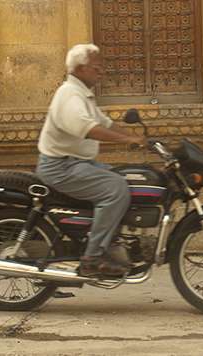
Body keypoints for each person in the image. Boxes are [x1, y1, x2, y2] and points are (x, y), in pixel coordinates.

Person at [35, 44, 146, 277]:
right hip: (61, 166)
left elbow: (103, 122)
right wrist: (126, 140)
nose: (102, 72)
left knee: (125, 177)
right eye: (97, 67)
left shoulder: (82, 94)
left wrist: (135, 136)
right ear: (80, 68)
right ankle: (92, 257)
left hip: (77, 162)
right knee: (115, 189)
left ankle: (112, 242)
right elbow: (88, 128)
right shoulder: (69, 95)